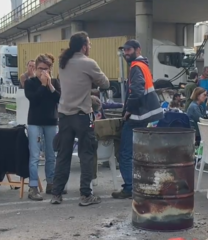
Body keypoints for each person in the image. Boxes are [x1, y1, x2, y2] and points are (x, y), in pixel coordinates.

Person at [52, 31, 109, 206]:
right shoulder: (88, 63)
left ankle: (56, 194)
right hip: (82, 116)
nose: (90, 47)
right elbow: (105, 83)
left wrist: (86, 88)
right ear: (84, 46)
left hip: (64, 116)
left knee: (63, 155)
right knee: (86, 154)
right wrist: (90, 89)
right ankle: (85, 195)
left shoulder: (63, 63)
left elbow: (69, 86)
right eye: (89, 45)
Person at [112, 39, 164, 200]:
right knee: (139, 152)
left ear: (138, 50)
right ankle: (142, 184)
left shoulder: (136, 67)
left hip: (138, 115)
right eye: (125, 50)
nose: (126, 53)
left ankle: (129, 187)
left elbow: (137, 91)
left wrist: (128, 111)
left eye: (129, 50)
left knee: (125, 153)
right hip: (147, 115)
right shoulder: (144, 65)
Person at [25, 53, 61, 200]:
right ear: (35, 68)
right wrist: (42, 85)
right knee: (34, 155)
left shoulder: (55, 82)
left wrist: (50, 85)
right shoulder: (30, 82)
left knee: (51, 155)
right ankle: (33, 187)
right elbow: (33, 100)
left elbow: (59, 99)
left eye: (45, 69)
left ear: (50, 69)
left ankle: (51, 183)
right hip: (35, 121)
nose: (42, 72)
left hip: (51, 121)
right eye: (40, 68)